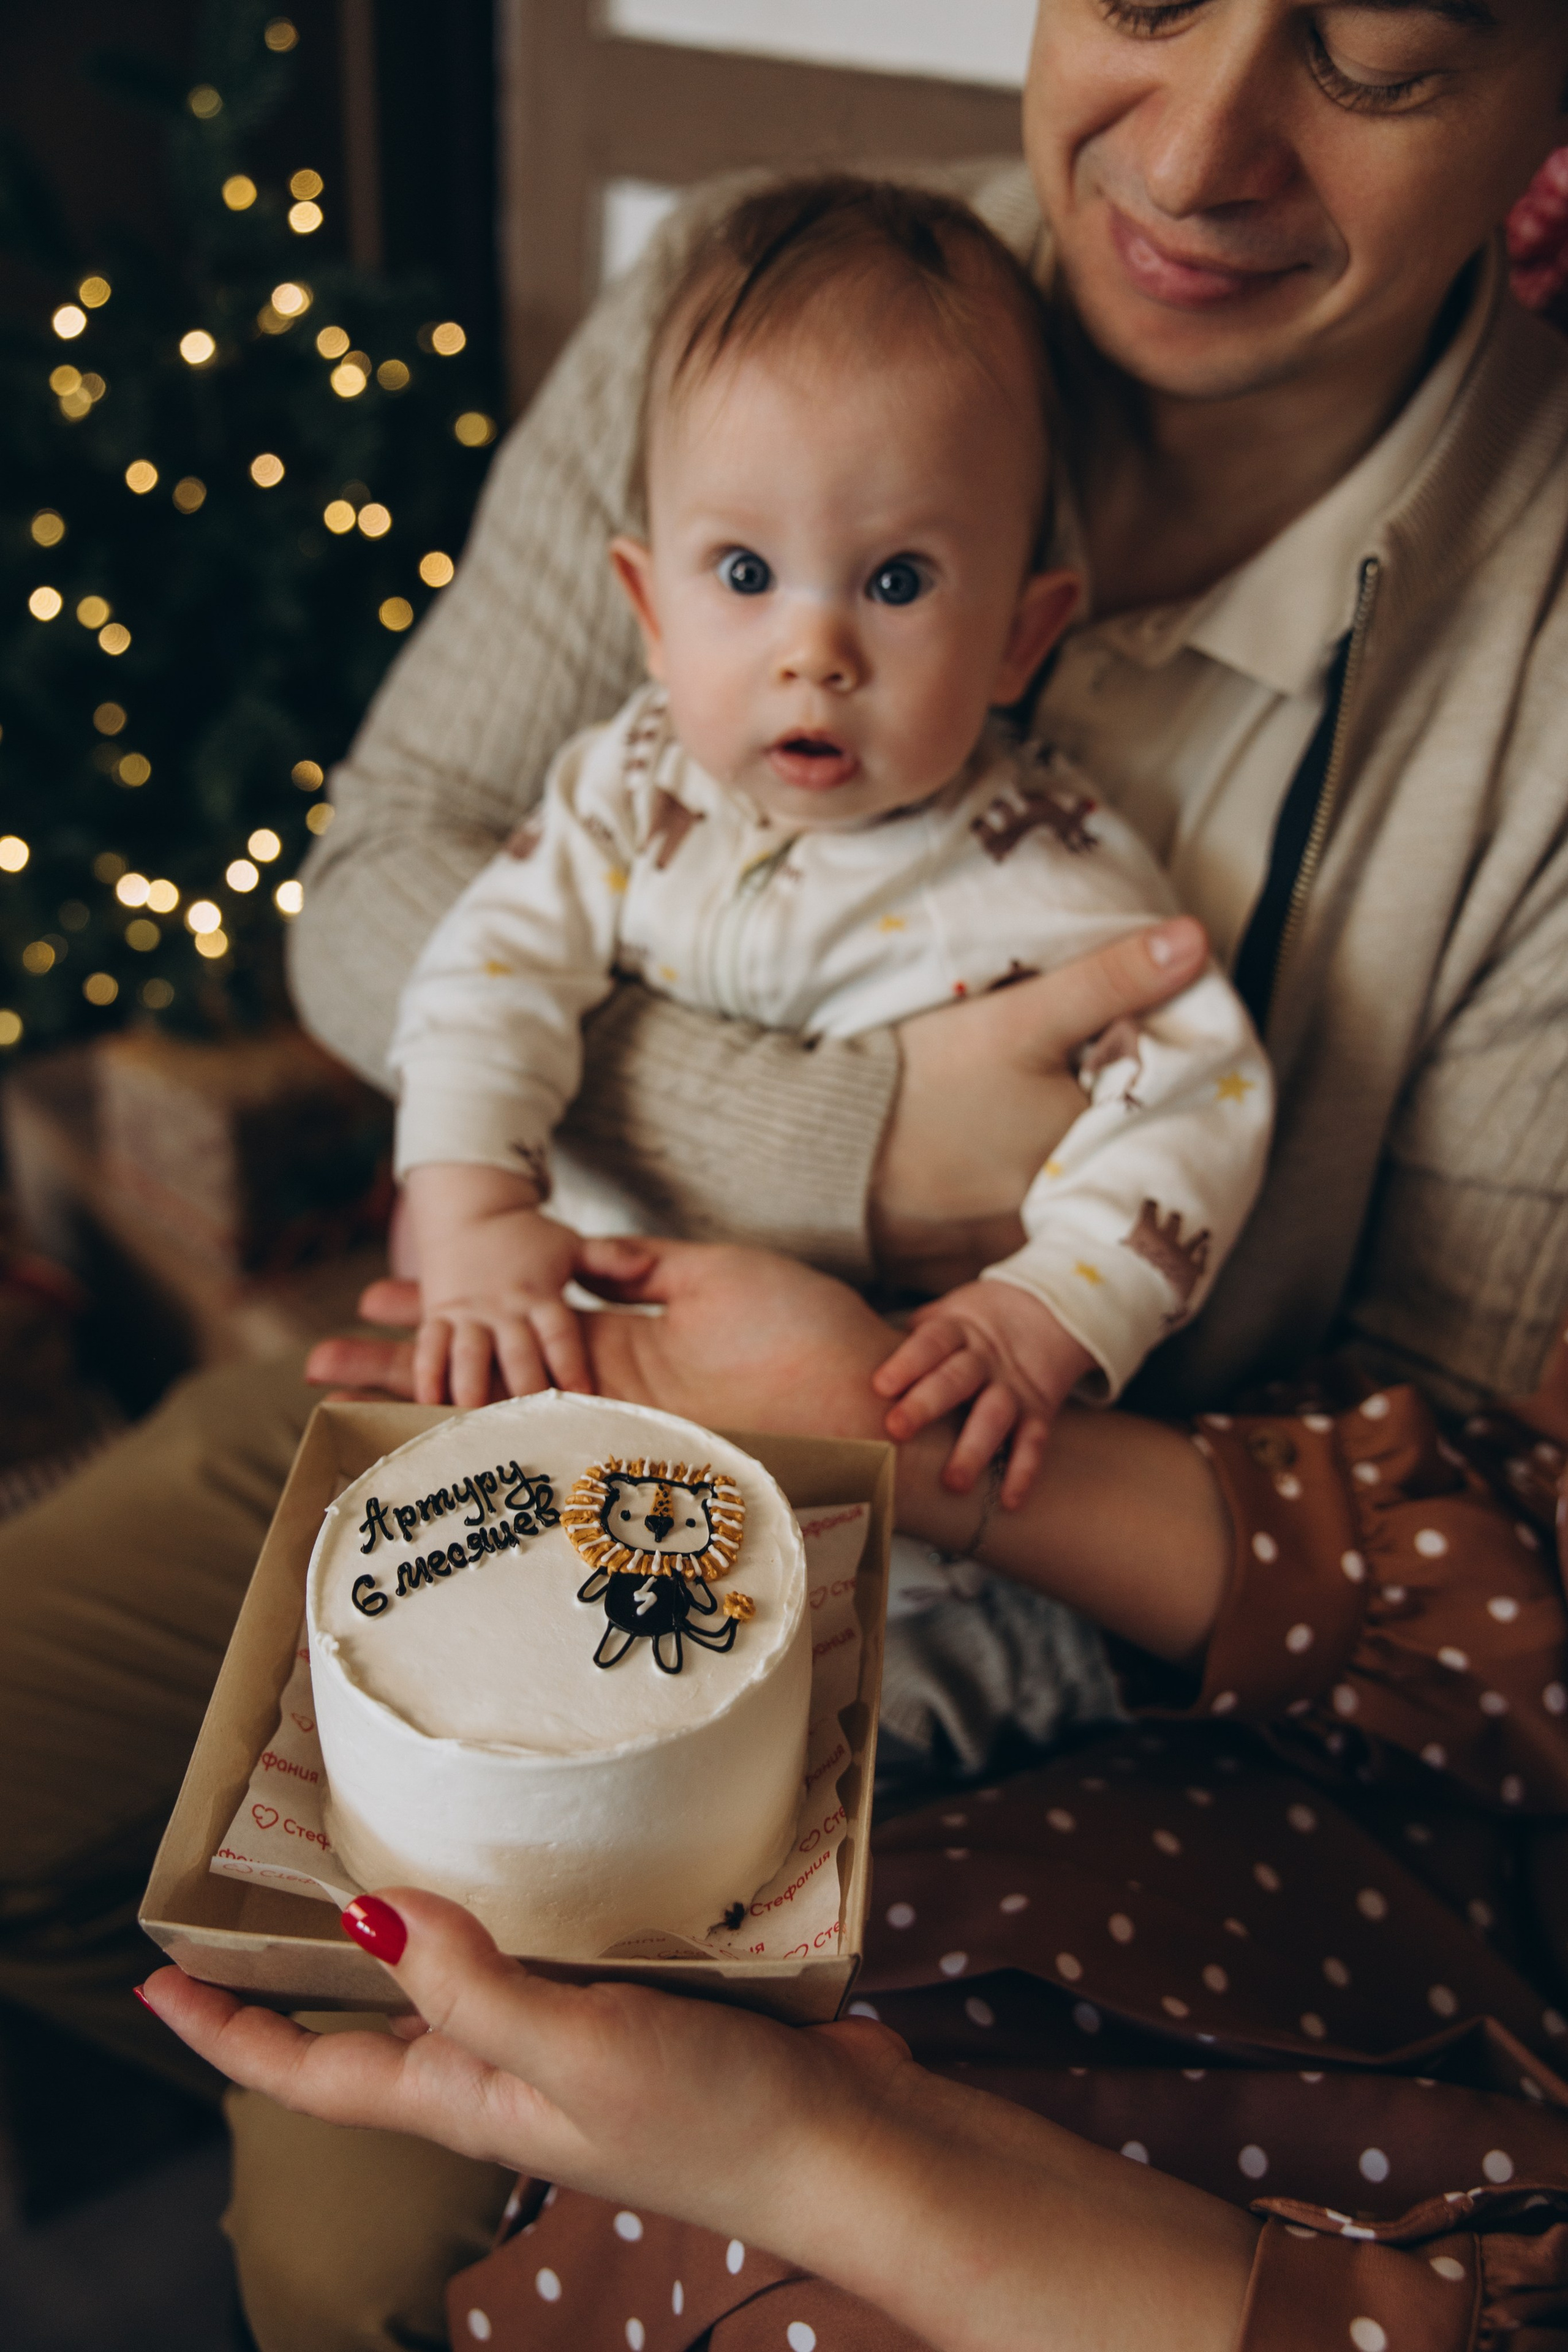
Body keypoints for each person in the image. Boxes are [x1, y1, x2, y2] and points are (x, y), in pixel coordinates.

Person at [2, 0, 1567, 2341]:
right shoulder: (752, 323)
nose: (1206, 142)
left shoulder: (1144, 828)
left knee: (360, 2204)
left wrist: (976, 1345)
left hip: (970, 1568)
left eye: (1374, 54)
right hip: (512, 1377)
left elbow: (1416, 1494)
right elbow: (406, 894)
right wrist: (828, 1149)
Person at [143, 1235, 1568, 2352]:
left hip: (1365, 1938)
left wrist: (813, 2155)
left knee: (341, 2243)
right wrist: (867, 1392)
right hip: (1310, 1709)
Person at [394, 176, 1270, 1504]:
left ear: (1020, 636)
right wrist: (470, 1206)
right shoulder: (621, 789)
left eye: (897, 582)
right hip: (571, 1364)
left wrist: (1044, 1307)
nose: (814, 655)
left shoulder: (1047, 870)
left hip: (856, 1444)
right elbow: (487, 975)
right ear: (646, 605)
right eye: (742, 575)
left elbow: (1197, 1093)